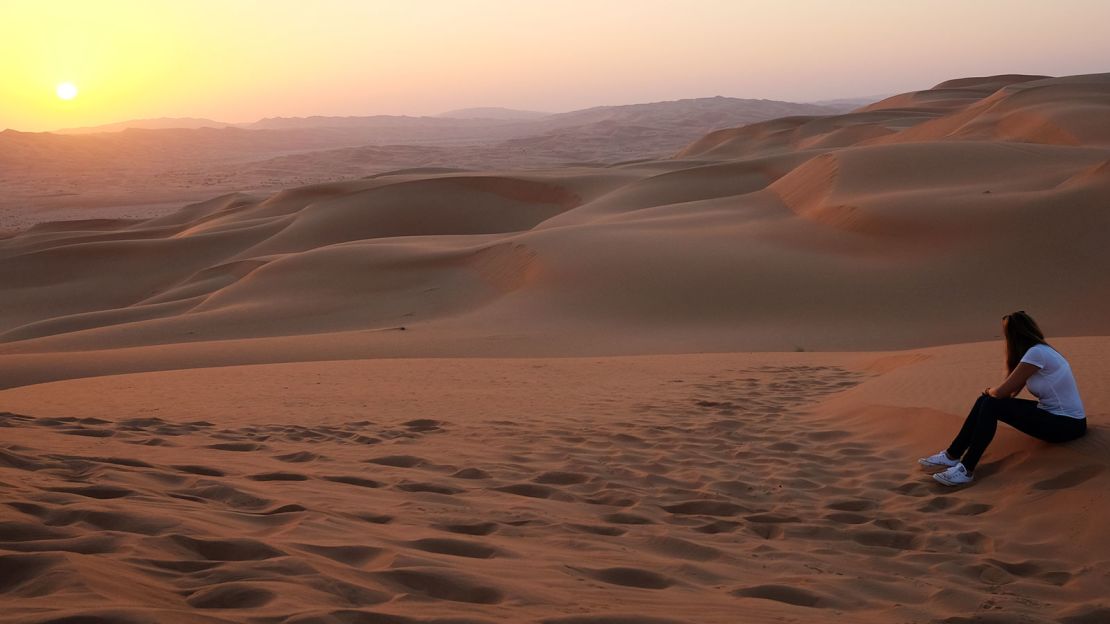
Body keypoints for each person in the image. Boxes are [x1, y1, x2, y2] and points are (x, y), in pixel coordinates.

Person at [919, 311, 1087, 486]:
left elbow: (1000, 393)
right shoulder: (1039, 351)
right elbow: (1010, 393)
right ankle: (951, 456)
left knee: (990, 403)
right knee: (985, 401)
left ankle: (966, 469)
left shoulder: (1037, 354)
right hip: (1057, 417)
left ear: (1013, 335)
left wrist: (988, 389)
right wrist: (1009, 360)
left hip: (1067, 425)